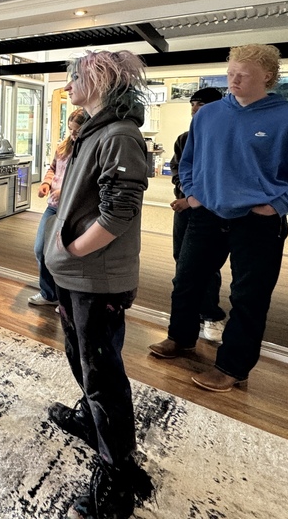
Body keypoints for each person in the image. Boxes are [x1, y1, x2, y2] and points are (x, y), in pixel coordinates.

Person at [149, 44, 288, 392]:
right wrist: (192, 194)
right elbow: (187, 162)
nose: (233, 79)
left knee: (249, 297)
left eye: (242, 74)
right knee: (187, 281)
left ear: (267, 76)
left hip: (258, 222)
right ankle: (180, 338)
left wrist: (274, 206)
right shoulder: (208, 115)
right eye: (230, 72)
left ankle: (233, 367)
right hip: (207, 215)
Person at [44, 50, 153, 519]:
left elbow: (120, 208)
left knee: (103, 374)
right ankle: (92, 422)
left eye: (74, 77)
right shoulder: (93, 131)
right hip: (76, 277)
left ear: (100, 79)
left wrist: (74, 249)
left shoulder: (119, 134)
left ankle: (117, 476)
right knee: (84, 361)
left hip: (95, 278)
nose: (68, 85)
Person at [169, 87, 228, 342]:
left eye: (200, 104)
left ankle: (211, 315)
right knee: (182, 262)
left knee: (206, 264)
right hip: (185, 208)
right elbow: (178, 169)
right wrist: (185, 195)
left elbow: (220, 177)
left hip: (212, 212)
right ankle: (186, 325)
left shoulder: (226, 137)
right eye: (192, 103)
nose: (194, 108)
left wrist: (193, 200)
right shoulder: (184, 138)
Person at [29, 107, 88, 308]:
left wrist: (65, 192)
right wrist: (46, 183)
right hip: (53, 208)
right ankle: (48, 293)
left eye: (77, 130)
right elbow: (53, 168)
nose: (73, 133)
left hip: (73, 210)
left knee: (66, 256)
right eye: (71, 129)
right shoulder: (63, 146)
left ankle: (67, 301)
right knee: (41, 250)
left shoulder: (90, 149)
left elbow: (88, 182)